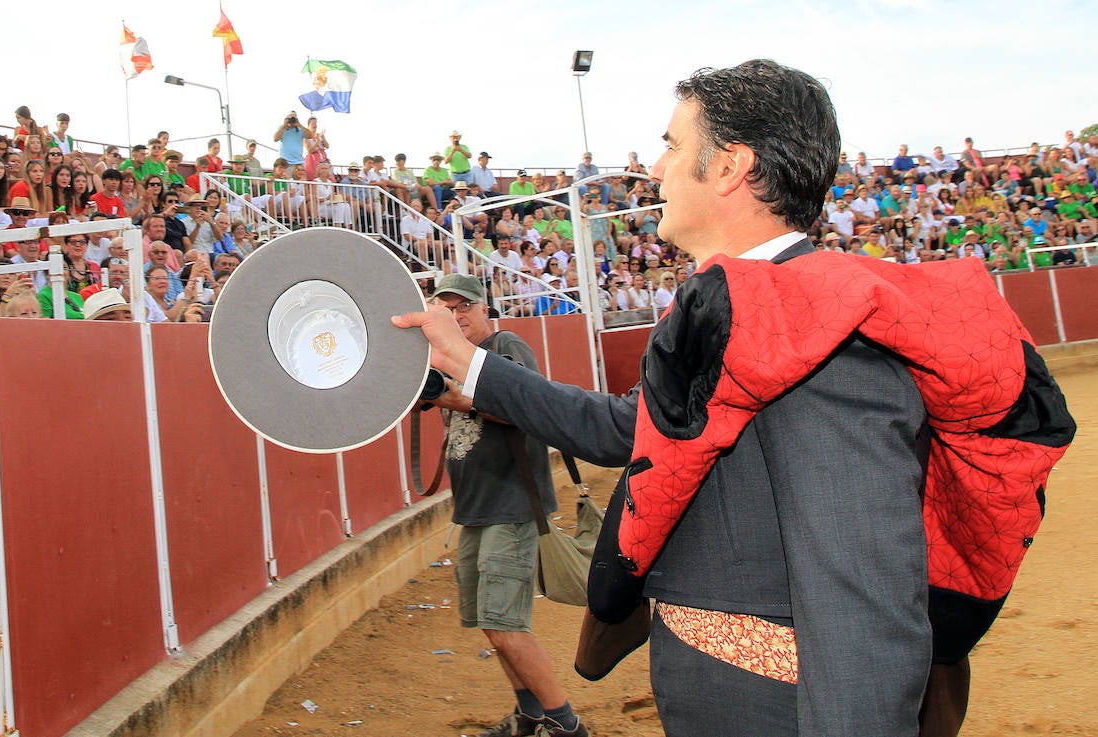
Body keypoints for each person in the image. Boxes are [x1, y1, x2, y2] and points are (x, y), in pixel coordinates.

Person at [394, 58, 1073, 737]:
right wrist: (466, 360)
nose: (656, 171)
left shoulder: (823, 330)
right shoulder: (756, 309)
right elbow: (628, 429)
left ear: (729, 167)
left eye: (671, 146)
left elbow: (863, 601)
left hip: (771, 707)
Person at [418, 273, 587, 737]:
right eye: (446, 310)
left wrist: (449, 398)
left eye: (463, 308)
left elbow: (520, 406)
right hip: (474, 508)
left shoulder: (506, 347)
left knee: (505, 625)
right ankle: (531, 715)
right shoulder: (447, 358)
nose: (456, 318)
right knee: (494, 627)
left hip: (511, 504)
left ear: (483, 310)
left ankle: (567, 725)